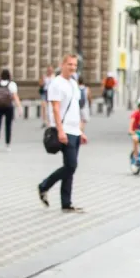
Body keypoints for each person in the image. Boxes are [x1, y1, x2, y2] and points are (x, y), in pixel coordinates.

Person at [38, 55, 86, 213]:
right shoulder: (56, 84)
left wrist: (81, 131)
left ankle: (66, 203)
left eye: (75, 65)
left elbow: (76, 109)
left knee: (69, 167)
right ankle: (44, 185)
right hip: (64, 130)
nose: (72, 67)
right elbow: (56, 109)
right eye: (69, 64)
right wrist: (60, 130)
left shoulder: (73, 83)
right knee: (71, 165)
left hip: (75, 131)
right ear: (62, 65)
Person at [0, 69, 21, 152]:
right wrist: (19, 107)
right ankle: (7, 144)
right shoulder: (12, 84)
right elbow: (15, 97)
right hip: (9, 107)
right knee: (8, 126)